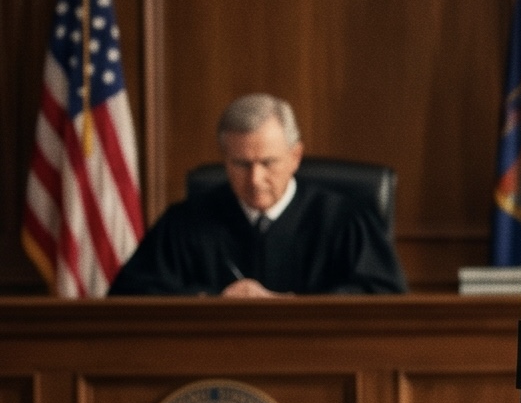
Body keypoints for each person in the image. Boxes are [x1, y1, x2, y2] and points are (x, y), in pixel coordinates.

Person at [110, 93, 406, 296]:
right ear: (225, 159)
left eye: (268, 162)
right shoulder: (185, 222)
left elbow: (384, 298)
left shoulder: (345, 220)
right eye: (241, 164)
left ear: (295, 156)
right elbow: (131, 295)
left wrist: (295, 308)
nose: (255, 179)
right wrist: (211, 301)